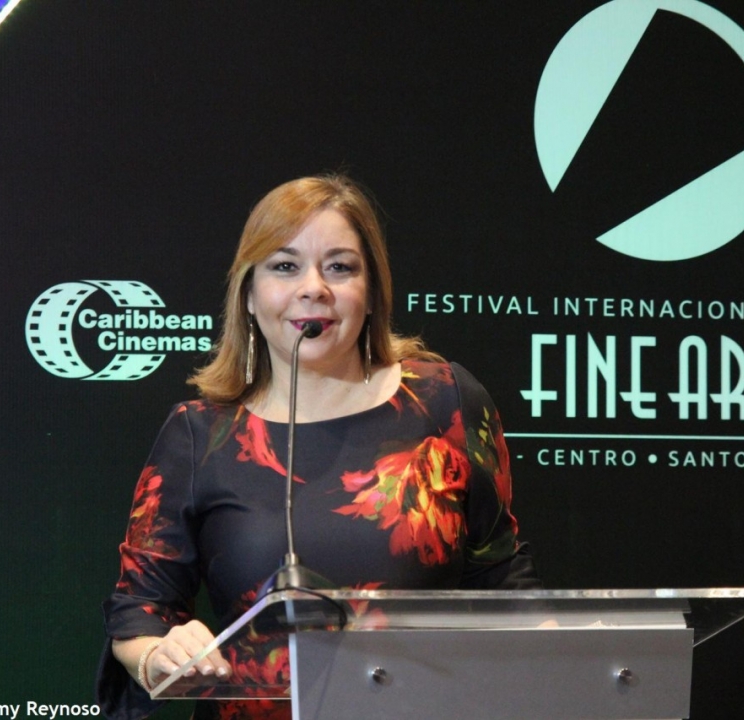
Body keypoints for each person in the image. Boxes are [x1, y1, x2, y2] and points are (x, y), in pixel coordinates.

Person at [96, 174, 540, 719]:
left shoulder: (445, 400)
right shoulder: (200, 432)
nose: (314, 288)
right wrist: (159, 655)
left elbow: (501, 580)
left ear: (372, 293)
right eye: (285, 267)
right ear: (249, 296)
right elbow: (139, 613)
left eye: (340, 267)